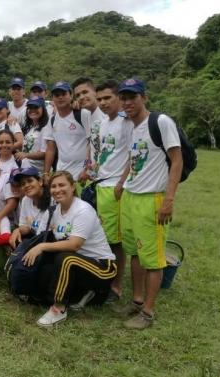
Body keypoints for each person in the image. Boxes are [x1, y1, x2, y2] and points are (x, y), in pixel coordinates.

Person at [116, 78, 183, 329]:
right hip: (131, 197)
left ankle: (148, 312)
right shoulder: (132, 126)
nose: (127, 102)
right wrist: (122, 183)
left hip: (152, 199)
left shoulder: (161, 122)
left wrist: (169, 199)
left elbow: (177, 160)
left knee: (153, 258)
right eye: (123, 97)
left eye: (132, 96)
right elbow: (133, 160)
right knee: (135, 252)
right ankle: (137, 299)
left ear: (144, 97)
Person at [22, 171, 117, 327]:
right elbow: (39, 237)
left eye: (62, 185)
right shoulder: (53, 211)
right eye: (53, 186)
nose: (57, 190)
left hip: (102, 267)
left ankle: (58, 309)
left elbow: (74, 245)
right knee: (46, 268)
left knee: (66, 258)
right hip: (78, 265)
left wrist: (42, 246)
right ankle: (83, 294)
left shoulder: (83, 210)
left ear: (72, 187)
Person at [90, 80, 132, 302]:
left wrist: (121, 183)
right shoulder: (104, 123)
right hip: (102, 184)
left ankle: (115, 287)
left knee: (116, 241)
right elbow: (104, 154)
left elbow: (133, 155)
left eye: (107, 98)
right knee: (104, 237)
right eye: (100, 99)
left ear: (118, 98)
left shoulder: (127, 122)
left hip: (116, 187)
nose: (103, 103)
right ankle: (105, 279)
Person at [43, 81, 93, 186]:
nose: (60, 97)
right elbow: (50, 149)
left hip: (82, 174)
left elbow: (92, 142)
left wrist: (87, 169)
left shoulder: (82, 114)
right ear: (52, 98)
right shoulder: (52, 120)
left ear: (70, 96)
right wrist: (46, 172)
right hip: (62, 174)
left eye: (64, 94)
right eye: (57, 95)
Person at [9, 167, 53, 251]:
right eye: (23, 184)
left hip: (51, 239)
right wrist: (17, 230)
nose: (26, 185)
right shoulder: (25, 200)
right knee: (17, 238)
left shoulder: (53, 199)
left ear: (40, 181)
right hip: (36, 237)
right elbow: (25, 227)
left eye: (30, 181)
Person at [15, 96, 48, 171]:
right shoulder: (29, 127)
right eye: (30, 107)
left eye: (36, 107)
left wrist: (25, 155)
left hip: (37, 171)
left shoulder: (46, 128)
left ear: (43, 109)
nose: (32, 110)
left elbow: (45, 153)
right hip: (25, 168)